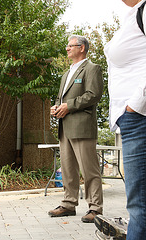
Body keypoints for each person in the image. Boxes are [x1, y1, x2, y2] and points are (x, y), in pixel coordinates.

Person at [94, 0, 146, 239]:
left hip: (139, 117)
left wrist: (135, 104)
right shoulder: (132, 14)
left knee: (139, 205)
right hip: (132, 119)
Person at [48, 35, 103, 223]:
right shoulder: (66, 73)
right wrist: (56, 107)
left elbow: (93, 95)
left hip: (82, 127)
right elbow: (60, 98)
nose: (67, 49)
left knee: (89, 170)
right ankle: (68, 204)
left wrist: (68, 106)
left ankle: (95, 208)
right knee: (68, 169)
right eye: (67, 46)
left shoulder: (92, 68)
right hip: (65, 127)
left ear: (82, 48)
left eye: (70, 46)